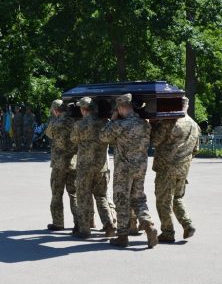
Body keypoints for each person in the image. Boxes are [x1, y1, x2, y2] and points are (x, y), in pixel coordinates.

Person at [99, 93, 158, 249]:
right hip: (140, 167)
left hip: (124, 169)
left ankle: (122, 236)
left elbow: (103, 136)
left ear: (120, 108)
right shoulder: (145, 124)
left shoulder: (120, 125)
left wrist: (112, 119)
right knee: (138, 198)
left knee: (121, 199)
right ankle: (148, 225)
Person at [151, 97, 199, 243]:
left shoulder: (170, 122)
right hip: (183, 169)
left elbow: (154, 141)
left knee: (163, 200)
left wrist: (153, 125)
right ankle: (187, 224)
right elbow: (196, 149)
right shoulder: (194, 125)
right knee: (177, 198)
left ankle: (167, 232)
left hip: (167, 167)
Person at [70, 97, 116, 238]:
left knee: (83, 198)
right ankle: (109, 225)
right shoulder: (105, 123)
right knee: (101, 196)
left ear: (83, 109)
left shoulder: (79, 125)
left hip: (85, 168)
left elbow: (73, 139)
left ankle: (85, 230)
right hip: (101, 167)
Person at [45, 100, 78, 231]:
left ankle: (58, 223)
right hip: (73, 162)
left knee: (57, 193)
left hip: (59, 164)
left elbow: (48, 134)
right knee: (74, 194)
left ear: (56, 110)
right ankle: (79, 223)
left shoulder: (54, 122)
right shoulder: (74, 121)